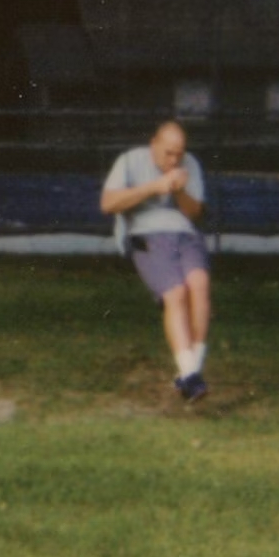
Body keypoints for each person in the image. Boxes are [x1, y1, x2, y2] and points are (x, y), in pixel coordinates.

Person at [102, 116, 214, 403]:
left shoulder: (191, 164)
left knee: (199, 284)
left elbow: (195, 213)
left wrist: (179, 191)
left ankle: (191, 372)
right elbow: (107, 204)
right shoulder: (129, 161)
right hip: (147, 234)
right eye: (168, 153)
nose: (175, 159)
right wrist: (153, 188)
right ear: (154, 144)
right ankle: (190, 375)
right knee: (175, 294)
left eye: (180, 153)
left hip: (184, 234)